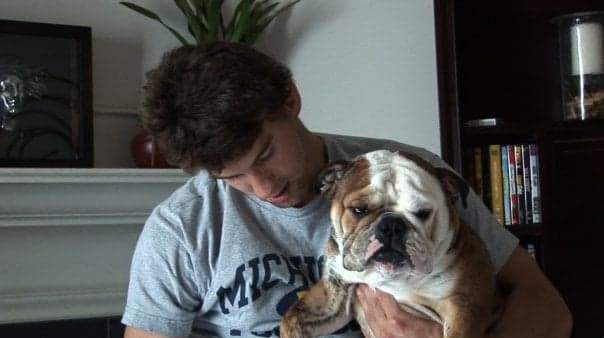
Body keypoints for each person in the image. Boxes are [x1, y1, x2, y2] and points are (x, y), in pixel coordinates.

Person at [122, 41, 572, 338]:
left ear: (291, 99)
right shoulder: (181, 228)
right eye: (231, 177)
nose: (262, 187)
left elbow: (550, 311)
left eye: (263, 155)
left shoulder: (414, 179)